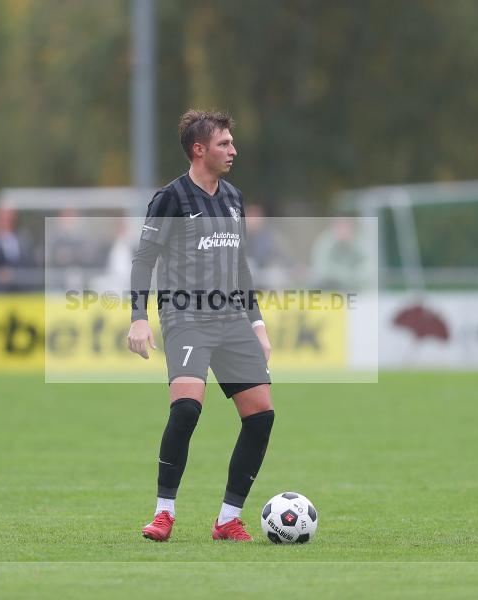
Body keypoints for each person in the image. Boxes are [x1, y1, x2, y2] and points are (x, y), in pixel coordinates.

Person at [128, 110, 274, 542]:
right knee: (188, 408)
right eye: (224, 143)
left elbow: (241, 267)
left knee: (261, 415)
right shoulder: (170, 198)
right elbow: (143, 260)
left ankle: (228, 519)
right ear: (199, 149)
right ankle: (164, 513)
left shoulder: (233, 197)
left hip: (231, 318)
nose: (233, 150)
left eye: (231, 142)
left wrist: (258, 323)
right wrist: (139, 318)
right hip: (185, 316)